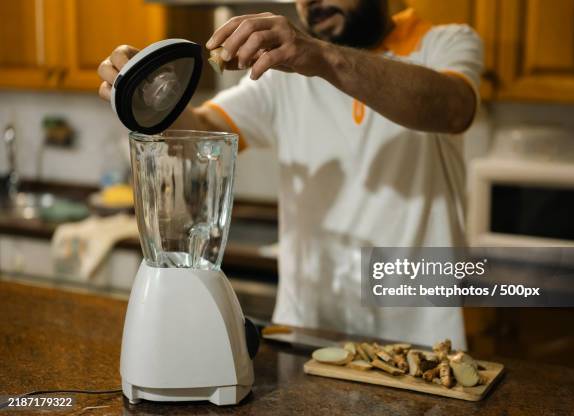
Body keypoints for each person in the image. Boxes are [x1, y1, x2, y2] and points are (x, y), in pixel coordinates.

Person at [98, 0, 483, 349]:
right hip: (305, 337)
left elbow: (453, 109)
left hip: (419, 338)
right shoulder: (284, 77)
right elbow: (196, 130)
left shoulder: (444, 42)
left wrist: (323, 58)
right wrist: (146, 90)